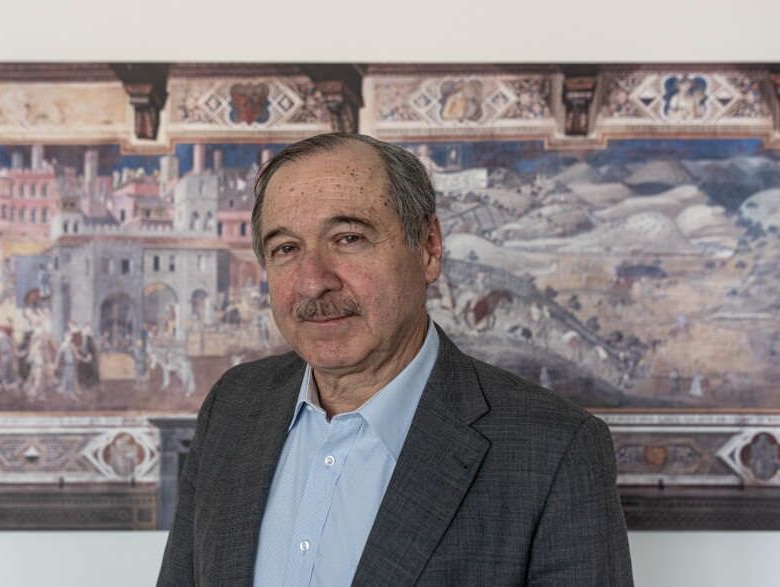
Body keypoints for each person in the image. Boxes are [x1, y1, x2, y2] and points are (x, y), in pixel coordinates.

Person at [158, 133, 633, 586]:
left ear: (428, 248)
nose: (312, 281)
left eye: (348, 238)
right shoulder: (234, 406)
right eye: (286, 248)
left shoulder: (555, 449)